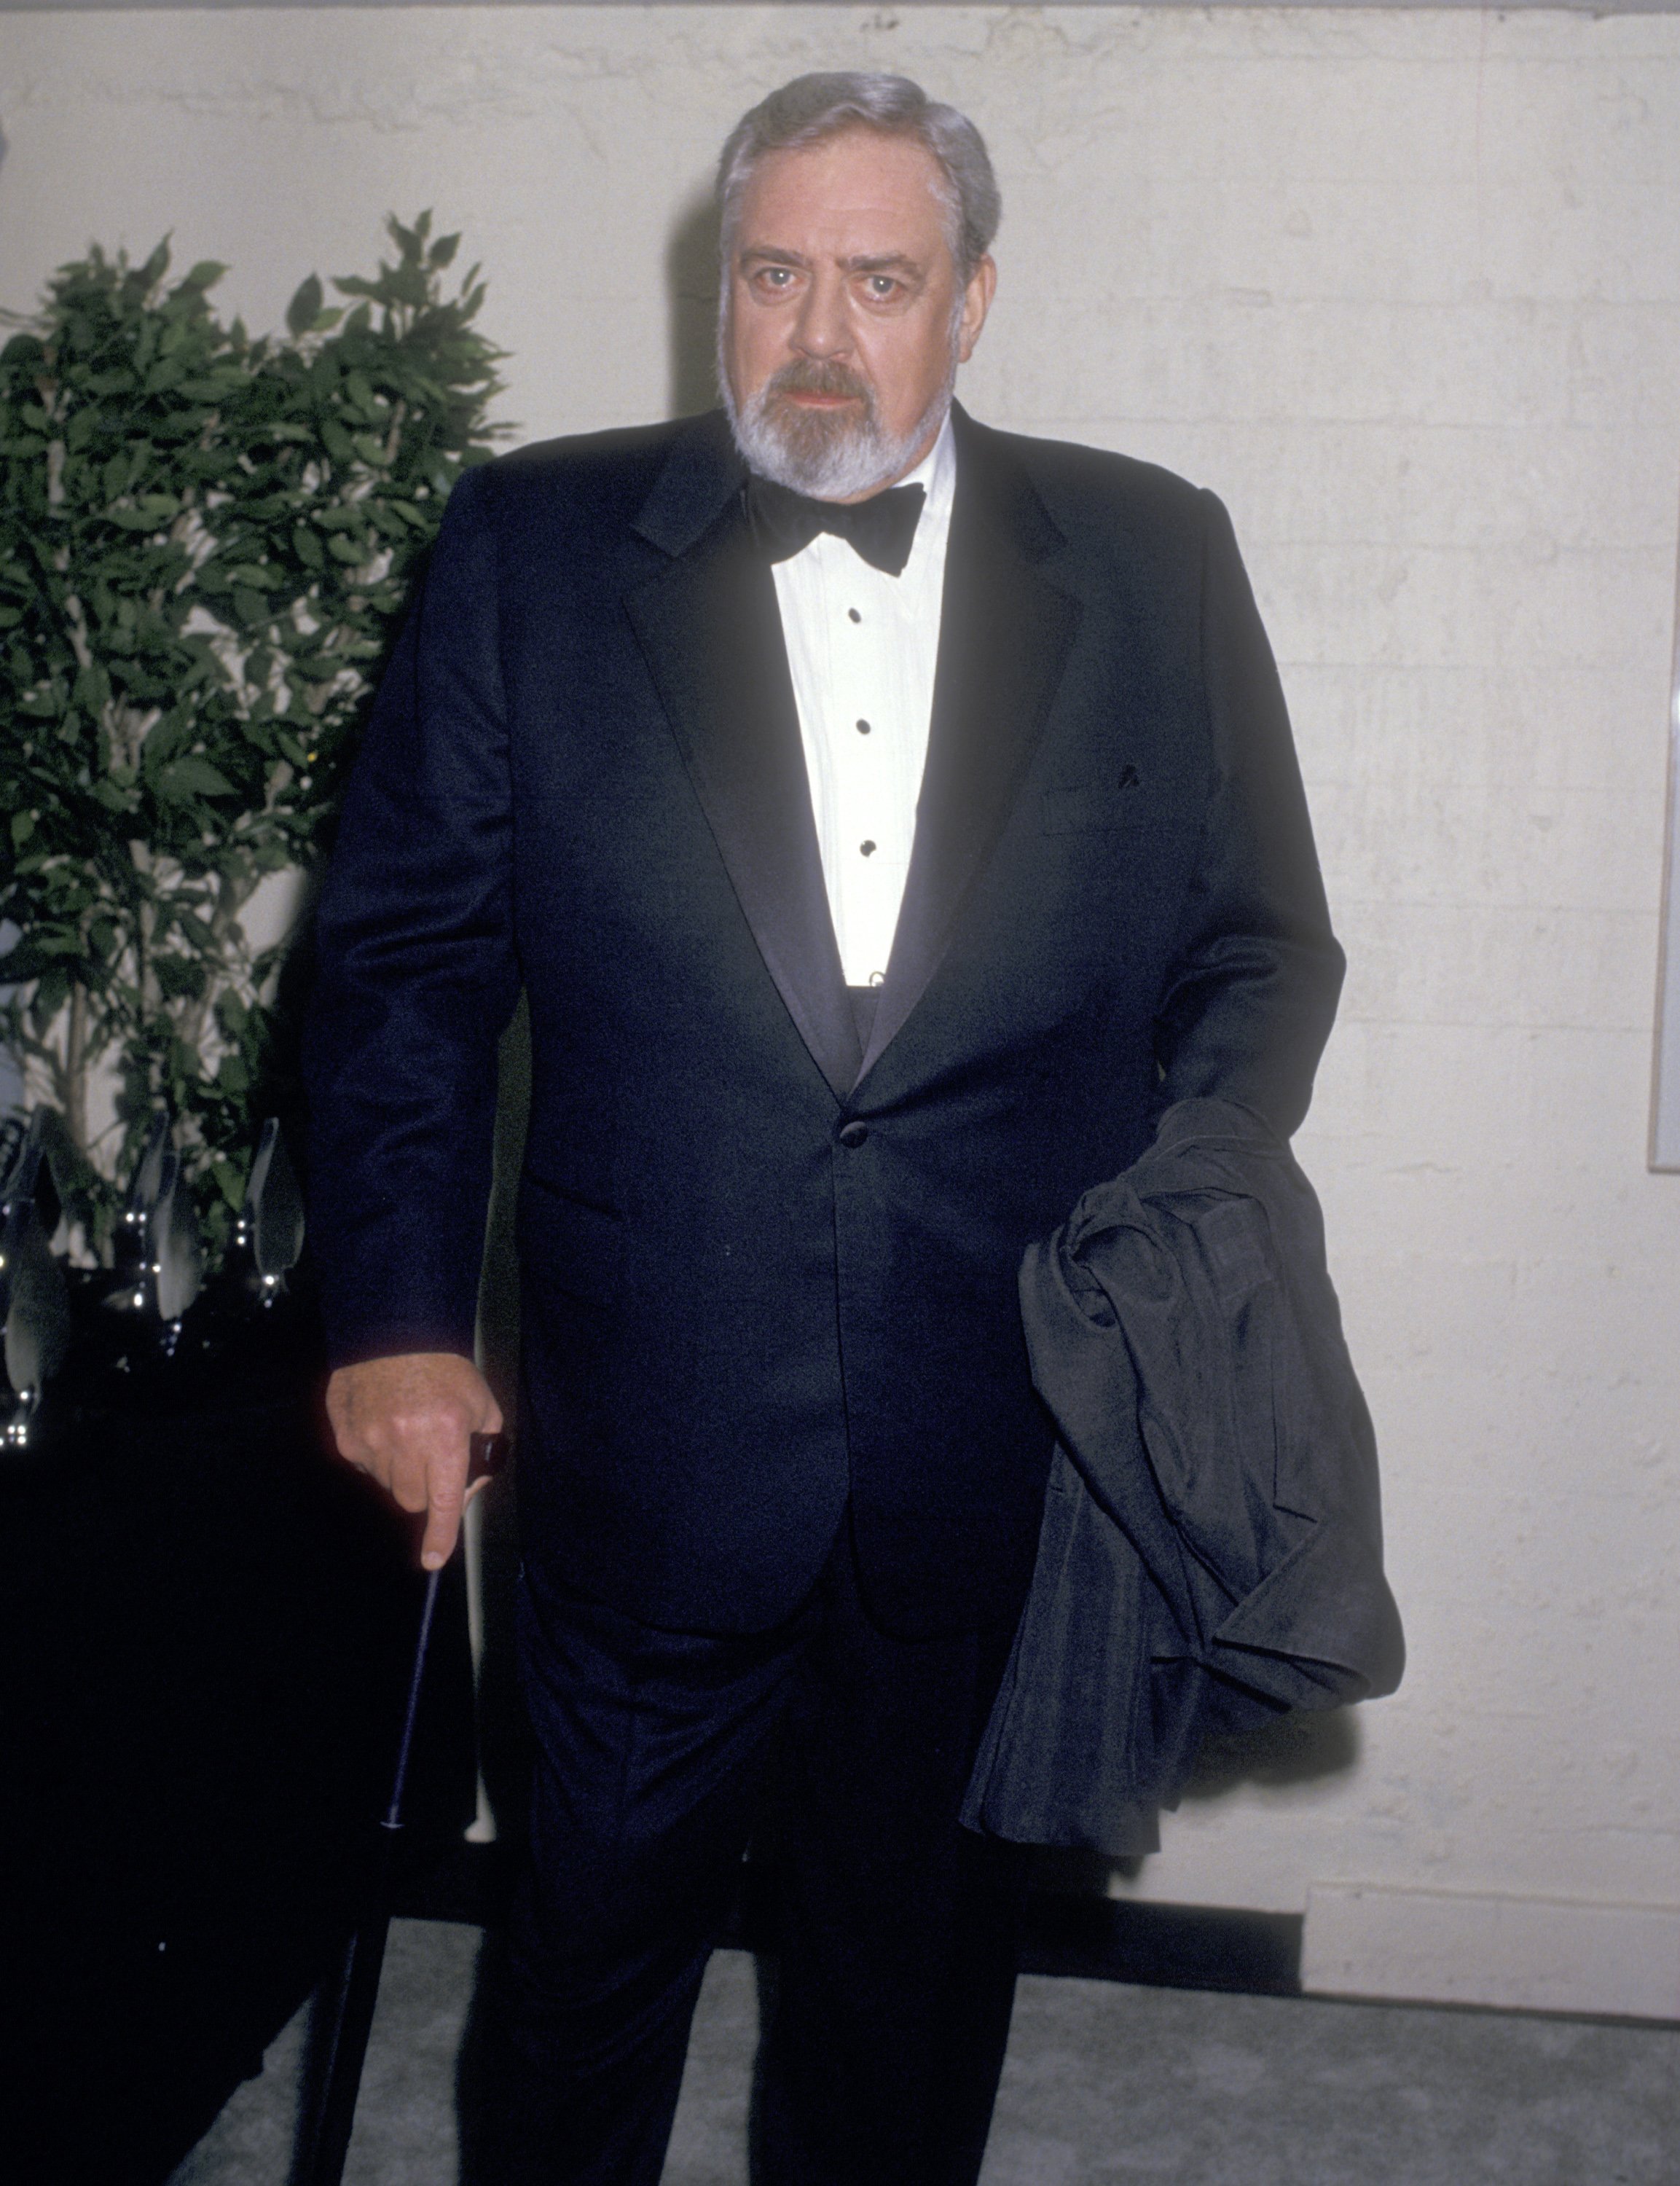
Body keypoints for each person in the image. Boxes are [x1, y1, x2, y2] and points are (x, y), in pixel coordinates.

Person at [306, 70, 1343, 2186]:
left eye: (878, 279)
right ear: (720, 286)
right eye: (772, 273)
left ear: (971, 300)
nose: (816, 334)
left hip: (1001, 1432)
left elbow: (1261, 951)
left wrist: (1178, 1228)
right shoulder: (533, 542)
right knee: (578, 1996)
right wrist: (395, 1314)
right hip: (641, 1429)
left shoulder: (1150, 553)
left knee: (909, 2002)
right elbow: (401, 961)